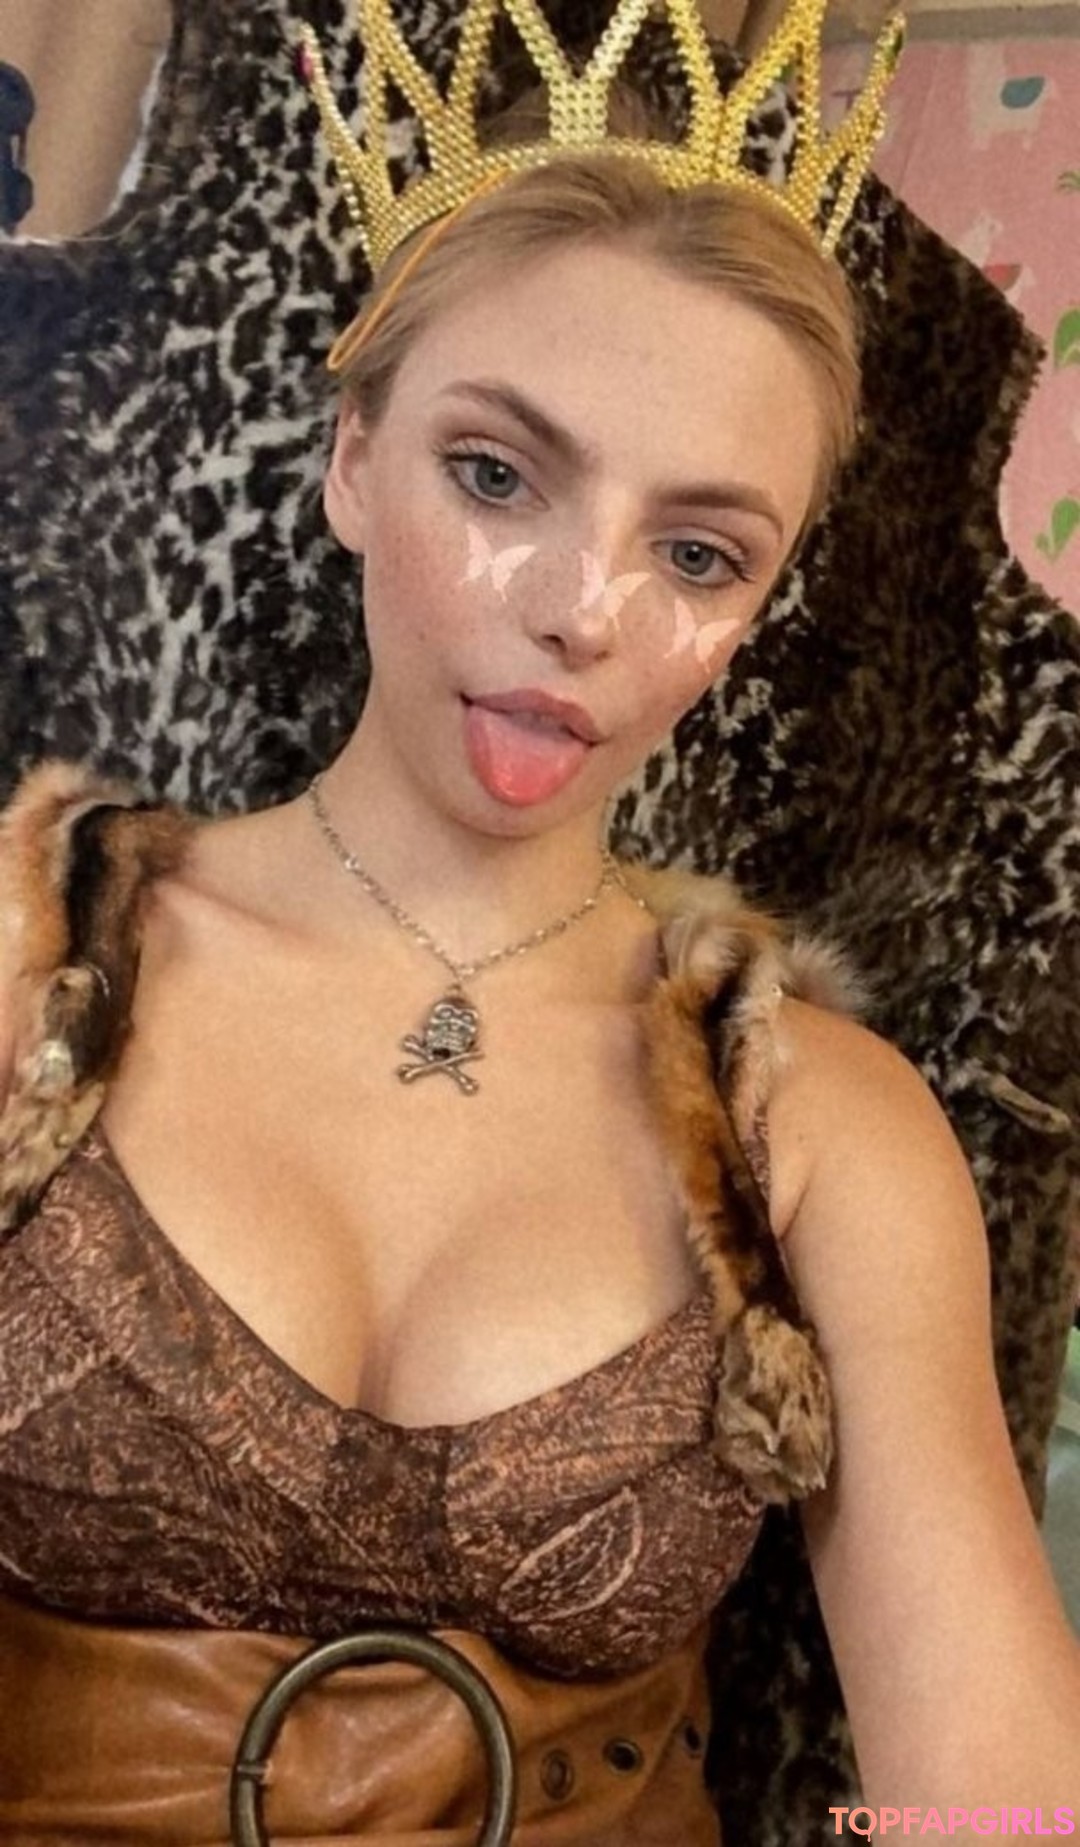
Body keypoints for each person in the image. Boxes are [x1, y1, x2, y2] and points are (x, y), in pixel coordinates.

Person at [0, 0, 1078, 1841]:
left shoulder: (822, 1127)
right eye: (497, 474)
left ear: (754, 612)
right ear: (354, 457)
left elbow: (1004, 1802)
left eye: (696, 552)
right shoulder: (35, 956)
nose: (583, 609)